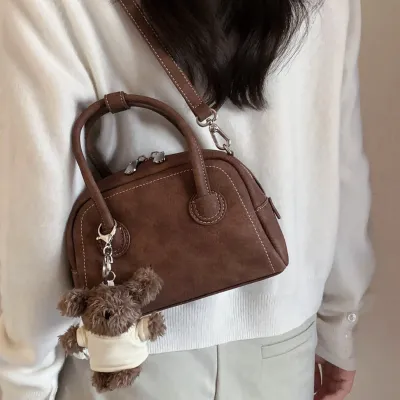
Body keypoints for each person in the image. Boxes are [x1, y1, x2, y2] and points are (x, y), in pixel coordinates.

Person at [0, 0, 375, 399]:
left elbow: (38, 215)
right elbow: (341, 161)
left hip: (121, 354)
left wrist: (24, 378)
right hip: (285, 347)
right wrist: (339, 325)